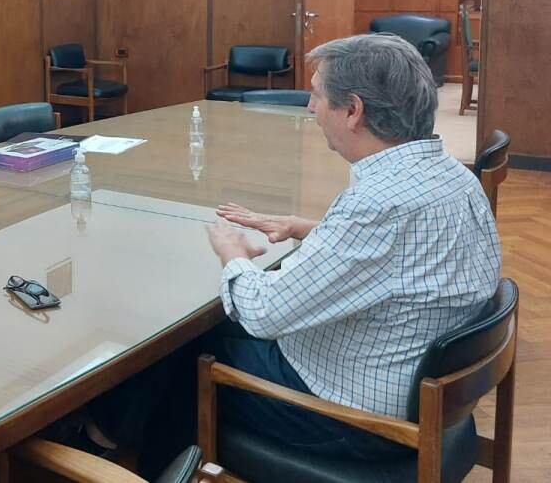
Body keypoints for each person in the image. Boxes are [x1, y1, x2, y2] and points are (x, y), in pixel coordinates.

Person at [205, 32, 501, 460]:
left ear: (353, 110)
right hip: (419, 388)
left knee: (188, 352)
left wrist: (231, 251)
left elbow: (264, 314)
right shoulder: (454, 175)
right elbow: (404, 254)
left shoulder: (376, 205)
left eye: (316, 96)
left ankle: (137, 455)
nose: (310, 108)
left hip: (357, 422)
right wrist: (309, 227)